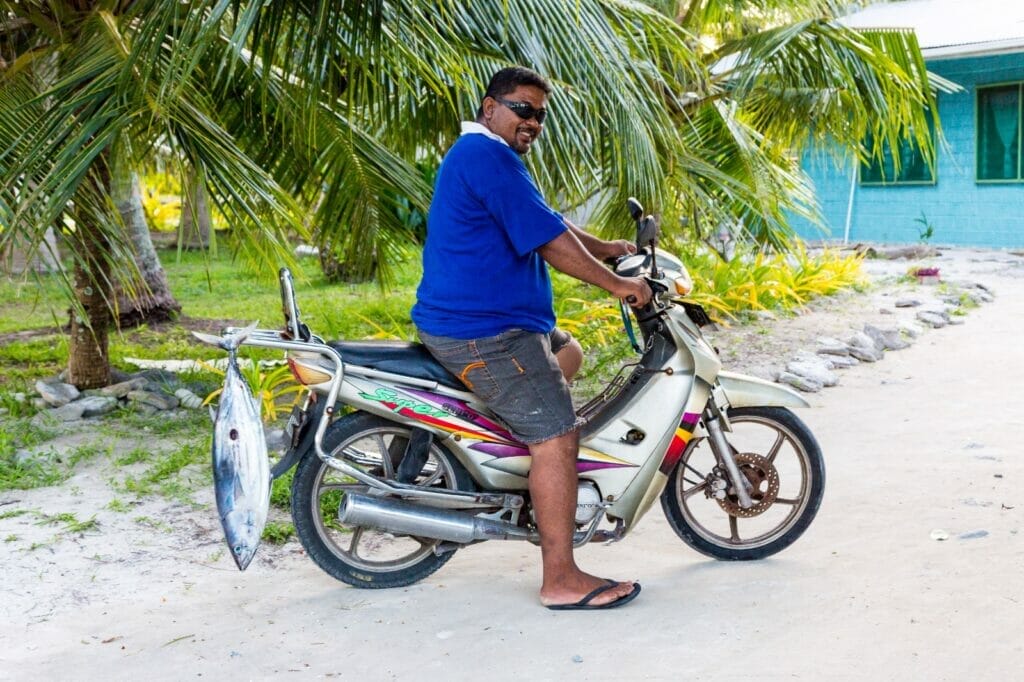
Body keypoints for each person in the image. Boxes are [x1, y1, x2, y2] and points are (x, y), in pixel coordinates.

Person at [412, 66, 652, 610]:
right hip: (485, 332)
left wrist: (606, 248)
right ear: (489, 107)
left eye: (540, 115)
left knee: (569, 352)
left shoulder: (488, 155)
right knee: (559, 437)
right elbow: (549, 243)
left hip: (490, 321)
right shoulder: (486, 156)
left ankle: (512, 454)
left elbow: (545, 221)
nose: (533, 122)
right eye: (523, 109)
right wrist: (615, 284)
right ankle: (561, 579)